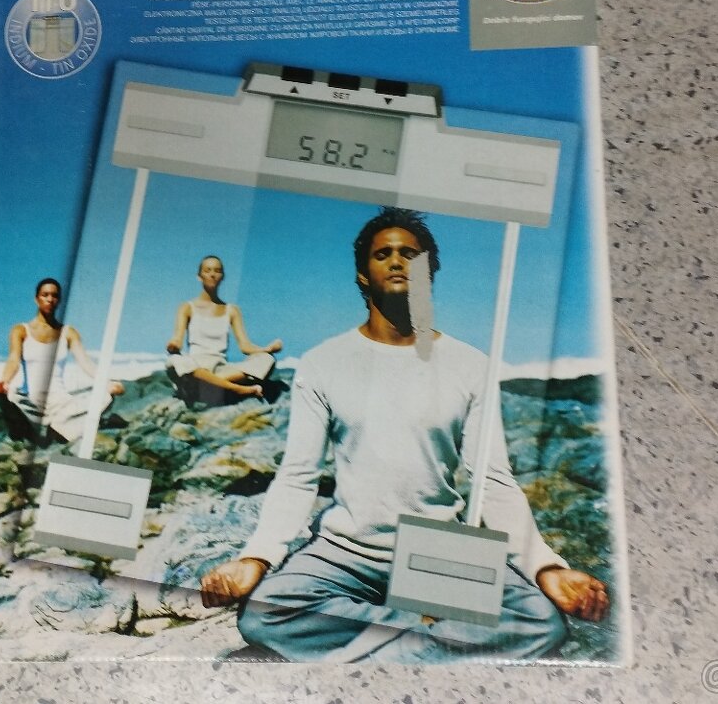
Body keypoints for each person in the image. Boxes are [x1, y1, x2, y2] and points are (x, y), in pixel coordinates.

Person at [199, 208, 608, 663]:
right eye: (383, 254)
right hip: (344, 550)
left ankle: (369, 648)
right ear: (362, 275)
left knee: (539, 622)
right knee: (262, 613)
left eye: (410, 254)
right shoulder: (323, 363)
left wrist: (547, 569)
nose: (397, 261)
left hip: (437, 549)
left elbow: (493, 481)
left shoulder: (470, 365)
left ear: (428, 272)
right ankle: (432, 642)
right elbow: (298, 477)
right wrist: (256, 559)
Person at [0, 277, 124, 441]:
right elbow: (13, 359)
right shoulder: (20, 330)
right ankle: (41, 428)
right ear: (36, 299)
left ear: (59, 300)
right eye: (45, 295)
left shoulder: (68, 332)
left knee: (105, 395)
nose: (50, 299)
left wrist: (108, 382)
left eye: (54, 296)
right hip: (31, 401)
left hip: (60, 402)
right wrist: (4, 381)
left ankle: (58, 427)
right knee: (9, 396)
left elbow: (85, 362)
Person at [166, 255, 282, 405]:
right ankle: (237, 389)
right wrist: (173, 345)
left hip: (221, 369)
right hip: (195, 365)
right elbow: (177, 338)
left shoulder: (232, 310)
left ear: (222, 277)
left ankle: (207, 385)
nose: (212, 274)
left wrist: (268, 349)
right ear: (199, 276)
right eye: (207, 270)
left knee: (267, 359)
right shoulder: (187, 307)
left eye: (217, 271)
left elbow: (245, 346)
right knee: (175, 360)